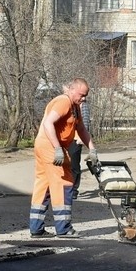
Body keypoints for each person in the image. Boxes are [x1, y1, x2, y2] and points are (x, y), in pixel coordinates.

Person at [29, 78, 97, 238]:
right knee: (64, 183)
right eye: (81, 95)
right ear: (71, 90)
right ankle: (63, 228)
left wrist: (92, 149)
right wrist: (58, 149)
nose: (84, 98)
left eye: (85, 95)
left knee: (43, 185)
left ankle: (36, 228)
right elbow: (48, 123)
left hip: (45, 145)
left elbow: (80, 128)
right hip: (50, 146)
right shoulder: (63, 101)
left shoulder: (75, 106)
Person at [68, 99, 92, 202]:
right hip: (67, 138)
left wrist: (81, 138)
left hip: (76, 139)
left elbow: (85, 121)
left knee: (74, 165)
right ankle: (66, 188)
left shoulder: (83, 105)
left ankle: (73, 190)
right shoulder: (67, 103)